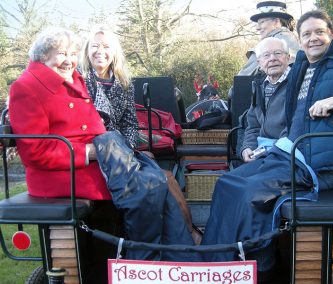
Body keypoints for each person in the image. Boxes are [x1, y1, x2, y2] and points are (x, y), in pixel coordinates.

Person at [201, 9, 333, 283]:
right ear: (300, 40)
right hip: (290, 153)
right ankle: (213, 261)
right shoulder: (303, 66)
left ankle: (261, 268)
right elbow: (283, 114)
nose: (313, 38)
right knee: (227, 183)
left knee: (248, 193)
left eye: (319, 32)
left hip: (320, 164)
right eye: (306, 34)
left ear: (331, 34)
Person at [80, 25, 201, 255]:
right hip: (99, 155)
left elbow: (130, 124)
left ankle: (186, 237)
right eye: (94, 46)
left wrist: (130, 150)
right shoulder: (80, 82)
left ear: (114, 52)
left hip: (121, 151)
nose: (100, 51)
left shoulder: (124, 83)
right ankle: (181, 241)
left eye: (106, 47)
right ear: (86, 51)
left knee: (167, 178)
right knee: (160, 179)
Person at [8, 27, 110, 200]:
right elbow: (36, 150)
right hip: (62, 176)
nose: (69, 61)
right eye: (62, 53)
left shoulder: (73, 79)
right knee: (153, 184)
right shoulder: (26, 87)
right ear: (43, 56)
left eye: (73, 54)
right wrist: (89, 152)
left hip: (92, 165)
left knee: (159, 178)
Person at [240, 37, 291, 163]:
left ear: (288, 57)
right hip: (263, 152)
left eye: (278, 53)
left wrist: (273, 151)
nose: (272, 58)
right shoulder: (259, 86)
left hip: (287, 154)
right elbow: (253, 126)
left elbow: (296, 126)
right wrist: (247, 147)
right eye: (266, 55)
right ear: (259, 62)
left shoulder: (298, 84)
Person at [238, 1, 299, 76]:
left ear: (276, 22)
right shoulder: (291, 39)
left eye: (262, 22)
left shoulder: (270, 44)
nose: (257, 28)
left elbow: (242, 79)